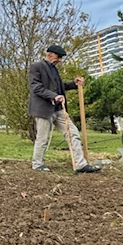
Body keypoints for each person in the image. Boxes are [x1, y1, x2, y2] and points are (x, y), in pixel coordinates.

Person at [28, 44, 100, 173]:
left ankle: (80, 165)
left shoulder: (54, 69)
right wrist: (54, 96)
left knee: (73, 134)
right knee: (43, 138)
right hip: (44, 109)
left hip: (59, 110)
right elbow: (36, 88)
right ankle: (37, 164)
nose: (60, 60)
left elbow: (59, 86)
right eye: (59, 57)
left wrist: (74, 83)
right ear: (50, 54)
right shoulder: (36, 67)